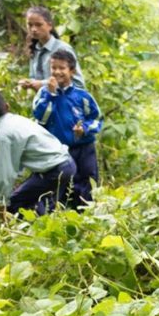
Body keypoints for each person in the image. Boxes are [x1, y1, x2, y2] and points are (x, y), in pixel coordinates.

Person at [0, 88, 76, 216]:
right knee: (43, 207)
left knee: (13, 204)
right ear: (7, 106)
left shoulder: (3, 134)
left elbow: (5, 174)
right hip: (67, 163)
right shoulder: (17, 120)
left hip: (54, 171)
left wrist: (0, 204)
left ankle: (25, 230)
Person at [31, 49, 103, 210]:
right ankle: (55, 218)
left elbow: (96, 118)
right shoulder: (43, 94)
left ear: (72, 71)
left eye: (62, 68)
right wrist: (51, 95)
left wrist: (84, 129)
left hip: (84, 149)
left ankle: (87, 217)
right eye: (53, 67)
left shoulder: (82, 96)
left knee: (87, 186)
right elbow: (40, 117)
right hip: (56, 150)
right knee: (57, 187)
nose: (57, 72)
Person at [18, 6, 84, 92]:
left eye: (39, 25)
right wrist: (29, 83)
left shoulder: (62, 49)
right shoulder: (36, 49)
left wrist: (42, 84)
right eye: (30, 25)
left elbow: (78, 83)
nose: (33, 29)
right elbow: (35, 79)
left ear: (50, 26)